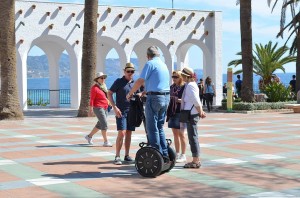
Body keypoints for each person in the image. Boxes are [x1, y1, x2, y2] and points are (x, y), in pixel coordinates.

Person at [126, 46, 170, 162]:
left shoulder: (150, 64)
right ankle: (164, 154)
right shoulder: (163, 64)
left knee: (152, 127)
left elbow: (140, 80)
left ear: (148, 56)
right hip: (165, 97)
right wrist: (145, 92)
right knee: (160, 127)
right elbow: (158, 82)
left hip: (154, 98)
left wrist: (131, 93)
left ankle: (156, 154)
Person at [108, 63, 139, 165]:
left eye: (132, 72)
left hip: (132, 111)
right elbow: (109, 93)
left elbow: (142, 92)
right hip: (121, 111)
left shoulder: (136, 83)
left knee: (129, 133)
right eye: (128, 71)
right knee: (122, 132)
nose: (130, 73)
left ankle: (127, 155)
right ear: (124, 72)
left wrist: (139, 94)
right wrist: (114, 107)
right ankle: (117, 156)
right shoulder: (119, 81)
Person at [180, 67, 206, 168]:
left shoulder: (190, 85)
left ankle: (195, 160)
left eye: (182, 76)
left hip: (191, 114)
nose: (182, 77)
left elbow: (196, 101)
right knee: (192, 136)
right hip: (190, 113)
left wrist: (200, 112)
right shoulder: (189, 85)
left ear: (186, 76)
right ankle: (196, 159)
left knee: (192, 137)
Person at [85, 72, 112, 147]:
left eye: (104, 78)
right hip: (98, 107)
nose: (103, 79)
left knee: (100, 124)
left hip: (105, 107)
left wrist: (110, 103)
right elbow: (92, 99)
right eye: (101, 78)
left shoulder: (103, 87)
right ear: (97, 79)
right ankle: (106, 141)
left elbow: (106, 97)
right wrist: (90, 109)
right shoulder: (94, 88)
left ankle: (89, 136)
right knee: (104, 124)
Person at [166, 70, 186, 163]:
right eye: (173, 77)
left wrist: (176, 100)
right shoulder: (171, 87)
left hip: (181, 112)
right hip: (172, 112)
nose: (174, 79)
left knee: (181, 134)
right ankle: (177, 153)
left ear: (180, 77)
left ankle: (183, 154)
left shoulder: (184, 87)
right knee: (175, 134)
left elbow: (186, 100)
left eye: (176, 77)